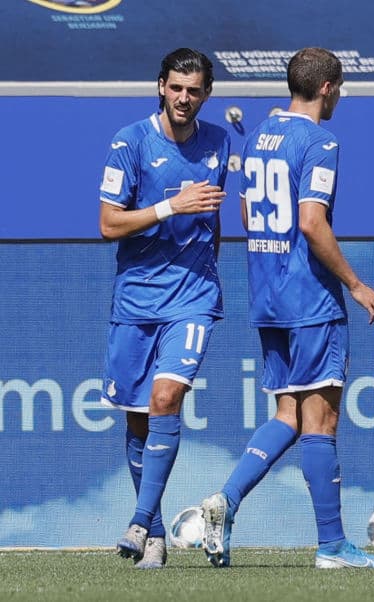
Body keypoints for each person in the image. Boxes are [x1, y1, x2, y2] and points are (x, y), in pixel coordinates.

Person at [199, 47, 374, 570]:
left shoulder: (261, 136)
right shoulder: (320, 140)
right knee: (321, 421)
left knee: (289, 412)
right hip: (309, 297)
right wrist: (355, 284)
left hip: (267, 296)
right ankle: (332, 546)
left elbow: (244, 209)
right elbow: (311, 222)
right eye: (340, 90)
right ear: (328, 88)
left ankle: (226, 499)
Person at [99, 47, 230, 570]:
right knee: (137, 421)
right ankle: (152, 533)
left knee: (166, 396)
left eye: (193, 90)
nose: (183, 97)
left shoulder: (219, 141)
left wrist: (203, 270)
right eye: (175, 87)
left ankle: (138, 519)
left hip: (193, 297)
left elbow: (214, 223)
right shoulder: (129, 142)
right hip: (136, 299)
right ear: (160, 86)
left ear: (206, 94)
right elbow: (109, 224)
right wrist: (169, 206)